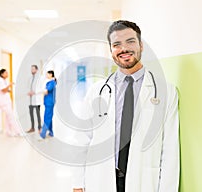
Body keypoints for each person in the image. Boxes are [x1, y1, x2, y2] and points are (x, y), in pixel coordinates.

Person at [72, 20, 179, 192]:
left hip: (143, 181)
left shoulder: (166, 92)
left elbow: (170, 149)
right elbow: (82, 140)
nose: (124, 49)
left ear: (141, 45)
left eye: (130, 41)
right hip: (102, 179)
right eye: (117, 44)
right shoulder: (96, 92)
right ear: (111, 51)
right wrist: (78, 184)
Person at [0, 69, 22, 137]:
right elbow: (3, 90)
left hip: (6, 101)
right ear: (2, 74)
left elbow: (5, 90)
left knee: (8, 118)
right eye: (6, 73)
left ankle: (8, 132)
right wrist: (9, 85)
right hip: (4, 102)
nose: (7, 74)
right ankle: (18, 132)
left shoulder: (4, 80)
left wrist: (8, 88)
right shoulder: (0, 80)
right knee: (11, 117)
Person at [40, 70, 57, 139]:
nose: (46, 76)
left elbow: (46, 91)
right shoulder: (50, 82)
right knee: (48, 116)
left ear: (51, 75)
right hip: (48, 102)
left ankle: (43, 134)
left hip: (49, 102)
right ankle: (51, 132)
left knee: (47, 117)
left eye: (47, 74)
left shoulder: (52, 82)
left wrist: (41, 91)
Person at [26, 65, 43, 133]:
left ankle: (39, 127)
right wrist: (29, 92)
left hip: (36, 100)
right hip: (30, 100)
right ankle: (32, 128)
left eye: (33, 69)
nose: (32, 70)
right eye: (31, 69)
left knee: (38, 114)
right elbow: (28, 87)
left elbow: (41, 89)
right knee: (31, 114)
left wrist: (34, 92)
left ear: (36, 70)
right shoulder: (30, 78)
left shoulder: (39, 78)